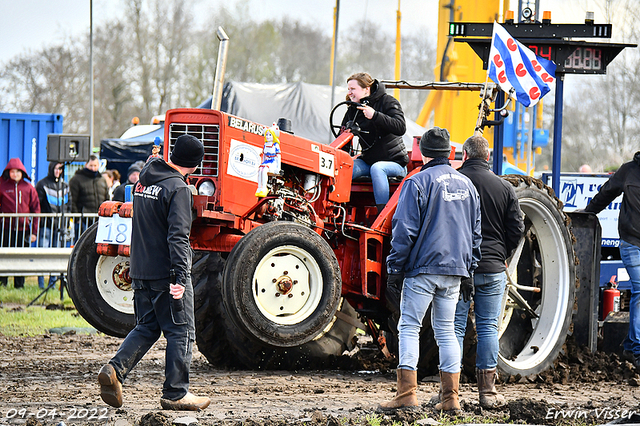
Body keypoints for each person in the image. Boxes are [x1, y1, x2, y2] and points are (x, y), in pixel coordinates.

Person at [98, 134, 210, 411]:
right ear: (195, 164)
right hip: (166, 272)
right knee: (181, 331)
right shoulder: (178, 189)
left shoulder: (145, 180)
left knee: (147, 327)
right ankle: (176, 393)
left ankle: (115, 369)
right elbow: (178, 237)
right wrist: (180, 277)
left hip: (139, 269)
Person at [379, 127, 482, 412]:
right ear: (450, 153)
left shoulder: (417, 182)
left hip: (423, 269)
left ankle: (406, 395)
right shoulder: (467, 186)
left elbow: (404, 230)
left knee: (409, 326)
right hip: (455, 271)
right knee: (446, 331)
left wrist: (395, 269)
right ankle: (451, 399)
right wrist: (469, 271)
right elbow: (476, 234)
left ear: (421, 152)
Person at [453, 135, 524, 408]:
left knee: (454, 328)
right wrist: (502, 255)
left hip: (460, 268)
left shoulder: (454, 181)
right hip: (493, 267)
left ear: (465, 155)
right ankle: (488, 393)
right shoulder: (504, 187)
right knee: (487, 328)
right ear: (487, 157)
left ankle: (452, 393)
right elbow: (516, 229)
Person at [585, 151, 640, 368]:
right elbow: (606, 193)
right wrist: (588, 213)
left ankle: (629, 347)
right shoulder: (629, 170)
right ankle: (637, 349)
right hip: (632, 242)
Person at [341, 72, 409, 212]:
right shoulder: (352, 111)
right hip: (368, 161)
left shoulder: (388, 102)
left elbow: (400, 127)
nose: (350, 93)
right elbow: (342, 138)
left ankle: (382, 214)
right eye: (348, 89)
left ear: (366, 88)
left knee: (378, 168)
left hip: (395, 163)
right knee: (345, 169)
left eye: (353, 89)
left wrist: (375, 115)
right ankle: (339, 209)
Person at [0, 158, 40, 288]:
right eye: (12, 172)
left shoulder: (29, 188)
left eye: (18, 172)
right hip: (5, 229)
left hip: (23, 230)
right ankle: (2, 283)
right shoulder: (2, 186)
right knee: (3, 256)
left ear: (22, 172)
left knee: (21, 257)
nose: (15, 174)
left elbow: (36, 210)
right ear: (8, 172)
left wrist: (34, 231)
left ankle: (19, 285)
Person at [35, 162, 71, 289]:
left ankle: (52, 283)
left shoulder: (65, 186)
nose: (58, 171)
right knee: (43, 254)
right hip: (46, 224)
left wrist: (67, 223)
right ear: (51, 169)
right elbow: (37, 205)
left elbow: (69, 206)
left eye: (60, 169)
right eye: (56, 168)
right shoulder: (42, 184)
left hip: (60, 226)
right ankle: (41, 283)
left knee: (56, 254)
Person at [255, 124, 282, 197]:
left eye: (270, 135)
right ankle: (259, 188)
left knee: (264, 170)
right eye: (267, 135)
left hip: (273, 161)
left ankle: (264, 188)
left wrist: (278, 168)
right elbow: (264, 155)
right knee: (260, 169)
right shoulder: (266, 144)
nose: (268, 136)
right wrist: (262, 162)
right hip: (267, 161)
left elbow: (278, 156)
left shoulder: (275, 145)